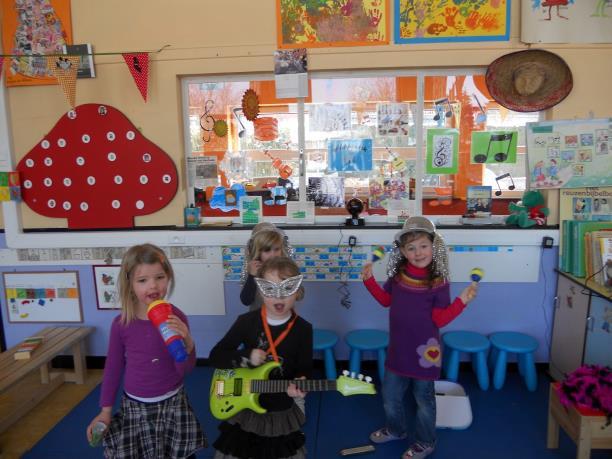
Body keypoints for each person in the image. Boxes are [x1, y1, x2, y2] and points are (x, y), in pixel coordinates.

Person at [361, 217, 478, 459]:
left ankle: (425, 442)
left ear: (433, 247)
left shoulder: (439, 282)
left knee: (424, 401)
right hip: (398, 350)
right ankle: (396, 430)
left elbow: (440, 320)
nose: (418, 252)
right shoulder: (398, 276)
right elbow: (385, 301)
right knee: (390, 396)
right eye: (411, 247)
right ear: (403, 251)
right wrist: (368, 280)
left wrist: (461, 302)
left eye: (423, 245)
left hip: (426, 353)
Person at [86, 243, 206, 459]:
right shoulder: (122, 324)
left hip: (173, 403)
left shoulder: (176, 318)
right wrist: (105, 411)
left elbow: (185, 370)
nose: (153, 286)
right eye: (142, 280)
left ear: (168, 277)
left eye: (159, 277)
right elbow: (113, 369)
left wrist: (188, 343)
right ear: (130, 284)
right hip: (135, 406)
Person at [210, 256, 312, 459]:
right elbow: (216, 356)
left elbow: (304, 368)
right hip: (245, 403)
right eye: (270, 289)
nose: (278, 298)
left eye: (287, 289)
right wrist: (246, 356)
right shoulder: (246, 322)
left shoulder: (303, 329)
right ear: (260, 290)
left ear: (298, 292)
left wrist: (301, 384)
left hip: (281, 408)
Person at [240, 222, 293, 311]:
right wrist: (252, 276)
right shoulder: (254, 271)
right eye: (267, 250)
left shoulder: (286, 269)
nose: (273, 254)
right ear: (257, 251)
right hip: (258, 318)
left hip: (282, 316)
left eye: (276, 249)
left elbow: (299, 296)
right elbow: (246, 301)